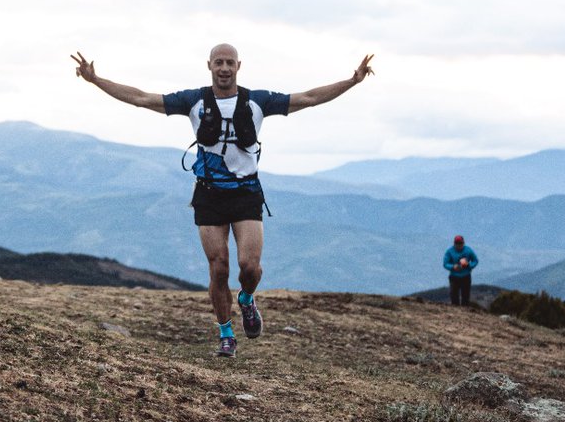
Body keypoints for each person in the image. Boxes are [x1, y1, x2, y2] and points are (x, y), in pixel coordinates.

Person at [71, 44, 374, 357]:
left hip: (246, 193)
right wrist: (96, 80)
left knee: (250, 267)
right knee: (218, 268)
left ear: (239, 66)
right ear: (209, 66)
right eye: (219, 62)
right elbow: (140, 98)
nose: (224, 68)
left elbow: (308, 99)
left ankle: (246, 299)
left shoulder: (257, 100)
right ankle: (226, 333)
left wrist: (352, 80)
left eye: (230, 62)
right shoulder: (193, 100)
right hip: (209, 194)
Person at [443, 234, 478, 306]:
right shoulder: (449, 251)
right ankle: (456, 311)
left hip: (466, 276)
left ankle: (465, 312)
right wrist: (453, 267)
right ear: (454, 243)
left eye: (460, 243)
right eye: (457, 243)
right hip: (454, 277)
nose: (459, 245)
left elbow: (475, 260)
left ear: (463, 243)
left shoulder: (468, 250)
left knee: (465, 296)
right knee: (454, 295)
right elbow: (445, 263)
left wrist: (469, 265)